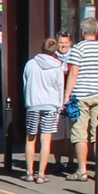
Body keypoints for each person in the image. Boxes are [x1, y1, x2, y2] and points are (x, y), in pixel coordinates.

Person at [64, 19, 98, 178]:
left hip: (80, 95)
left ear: (82, 31)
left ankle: (82, 170)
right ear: (97, 31)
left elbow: (73, 73)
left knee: (79, 133)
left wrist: (66, 95)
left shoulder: (77, 49)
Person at [21, 32, 66, 183]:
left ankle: (29, 172)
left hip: (33, 104)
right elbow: (60, 88)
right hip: (51, 105)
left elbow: (25, 85)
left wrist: (28, 102)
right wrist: (59, 108)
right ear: (55, 50)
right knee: (46, 140)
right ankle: (41, 175)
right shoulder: (58, 66)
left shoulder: (30, 64)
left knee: (30, 139)